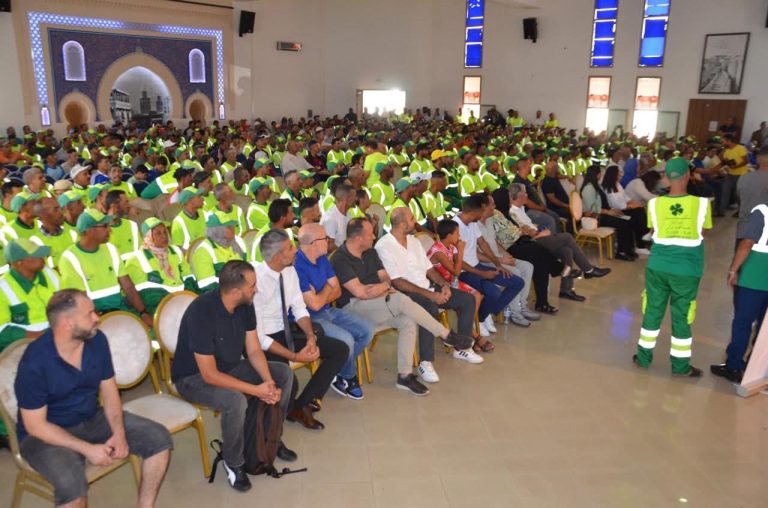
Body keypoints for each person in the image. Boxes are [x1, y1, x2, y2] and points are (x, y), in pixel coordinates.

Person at [15, 289, 172, 506]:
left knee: (159, 439)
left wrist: (119, 433)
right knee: (73, 487)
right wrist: (87, 449)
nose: (97, 318)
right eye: (89, 314)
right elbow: (35, 426)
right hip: (44, 435)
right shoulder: (34, 362)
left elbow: (109, 393)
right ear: (67, 322)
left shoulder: (97, 341)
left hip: (90, 417)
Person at [172, 261, 295, 492]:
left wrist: (267, 381)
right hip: (193, 378)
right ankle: (234, 462)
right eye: (252, 286)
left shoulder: (244, 304)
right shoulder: (202, 312)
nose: (256, 290)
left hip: (229, 367)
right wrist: (257, 390)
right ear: (236, 291)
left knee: (283, 373)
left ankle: (271, 437)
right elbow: (209, 375)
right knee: (235, 401)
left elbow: (254, 349)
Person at [330, 218, 473, 394]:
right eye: (370, 234)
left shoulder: (370, 252)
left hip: (379, 303)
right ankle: (445, 334)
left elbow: (385, 279)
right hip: (353, 308)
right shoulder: (340, 258)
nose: (374, 236)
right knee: (399, 299)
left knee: (407, 320)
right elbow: (360, 293)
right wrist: (383, 288)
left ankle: (404, 376)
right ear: (358, 238)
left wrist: (381, 288)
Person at [254, 229, 348, 429]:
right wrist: (295, 357)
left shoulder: (290, 271)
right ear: (278, 256)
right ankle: (276, 427)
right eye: (290, 247)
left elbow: (299, 308)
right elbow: (259, 338)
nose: (296, 250)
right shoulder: (256, 281)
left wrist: (310, 336)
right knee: (288, 380)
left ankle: (302, 406)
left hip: (287, 329)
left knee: (339, 349)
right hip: (265, 340)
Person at [633, 158, 712, 378]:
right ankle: (680, 366)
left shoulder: (654, 204)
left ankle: (643, 357)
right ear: (688, 175)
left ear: (666, 177)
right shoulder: (702, 204)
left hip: (657, 266)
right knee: (682, 317)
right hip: (686, 271)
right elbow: (703, 233)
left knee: (652, 312)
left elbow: (653, 230)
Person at [376, 207, 484, 367]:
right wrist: (430, 295)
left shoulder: (414, 241)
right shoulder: (384, 246)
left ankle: (462, 349)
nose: (415, 222)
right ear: (403, 225)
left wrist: (443, 284)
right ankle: (426, 362)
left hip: (428, 288)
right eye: (412, 219)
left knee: (467, 299)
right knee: (430, 308)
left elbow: (429, 269)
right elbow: (397, 282)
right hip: (404, 294)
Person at [294, 223, 374, 400]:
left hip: (328, 310)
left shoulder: (322, 258)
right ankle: (348, 377)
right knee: (346, 340)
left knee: (367, 330)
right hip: (309, 319)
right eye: (325, 238)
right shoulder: (297, 266)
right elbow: (313, 306)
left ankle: (339, 372)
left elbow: (336, 290)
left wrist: (321, 294)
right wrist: (326, 291)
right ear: (314, 242)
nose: (329, 242)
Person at [59, 209, 152, 327]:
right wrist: (105, 323)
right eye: (105, 226)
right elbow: (80, 301)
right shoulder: (70, 258)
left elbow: (128, 286)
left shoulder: (111, 249)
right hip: (92, 317)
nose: (110, 230)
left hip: (119, 310)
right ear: (89, 231)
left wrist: (143, 312)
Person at [712, 203, 768, 383]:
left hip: (755, 276)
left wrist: (733, 269)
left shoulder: (762, 211)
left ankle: (734, 366)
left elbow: (747, 243)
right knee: (764, 326)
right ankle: (756, 366)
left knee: (742, 322)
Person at [454, 195, 526, 323]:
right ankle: (480, 320)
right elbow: (457, 261)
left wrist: (498, 264)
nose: (483, 216)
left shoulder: (472, 222)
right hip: (464, 272)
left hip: (477, 267)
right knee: (494, 292)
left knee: (517, 282)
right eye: (482, 212)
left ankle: (486, 313)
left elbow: (483, 243)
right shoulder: (456, 227)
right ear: (478, 210)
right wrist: (482, 273)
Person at [125, 218, 197, 315]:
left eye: (165, 232)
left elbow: (188, 276)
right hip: (157, 307)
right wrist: (173, 301)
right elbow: (145, 294)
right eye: (158, 233)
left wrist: (189, 296)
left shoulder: (175, 251)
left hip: (183, 301)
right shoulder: (136, 260)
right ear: (148, 237)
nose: (164, 236)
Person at [580, 165, 643, 261]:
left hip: (602, 214)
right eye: (600, 173)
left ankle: (628, 249)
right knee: (623, 223)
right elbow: (591, 208)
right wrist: (608, 212)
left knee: (628, 219)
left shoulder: (595, 185)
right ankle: (621, 252)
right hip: (595, 217)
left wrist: (612, 209)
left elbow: (603, 203)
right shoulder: (588, 188)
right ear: (597, 174)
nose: (601, 175)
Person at [600, 166, 650, 254]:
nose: (620, 176)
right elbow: (619, 205)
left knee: (640, 212)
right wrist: (634, 206)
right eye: (618, 175)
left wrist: (636, 204)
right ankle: (641, 243)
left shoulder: (618, 184)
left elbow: (627, 198)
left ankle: (641, 243)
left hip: (625, 208)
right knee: (638, 214)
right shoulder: (607, 188)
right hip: (616, 211)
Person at [191, 214, 247, 293]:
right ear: (217, 230)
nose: (233, 229)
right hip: (219, 297)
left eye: (233, 226)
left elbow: (251, 270)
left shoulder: (240, 242)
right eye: (228, 227)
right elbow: (207, 286)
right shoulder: (203, 250)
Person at [735, 146, 768, 245]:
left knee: (741, 258)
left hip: (743, 230)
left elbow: (740, 200)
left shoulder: (743, 178)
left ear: (758, 159)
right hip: (764, 234)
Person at [719, 134, 749, 216]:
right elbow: (725, 160)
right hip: (730, 174)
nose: (722, 142)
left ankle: (740, 211)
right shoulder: (727, 150)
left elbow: (746, 161)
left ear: (729, 141)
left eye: (723, 141)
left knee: (738, 194)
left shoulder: (740, 148)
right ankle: (721, 211)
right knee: (725, 191)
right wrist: (722, 154)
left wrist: (736, 166)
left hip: (740, 174)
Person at [170, 186, 207, 250]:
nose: (203, 199)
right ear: (189, 201)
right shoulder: (178, 222)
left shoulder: (204, 213)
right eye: (199, 196)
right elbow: (178, 249)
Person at [319, 183, 354, 250]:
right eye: (354, 196)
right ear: (347, 199)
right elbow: (329, 247)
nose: (356, 198)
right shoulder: (330, 218)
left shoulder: (349, 214)